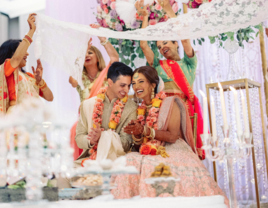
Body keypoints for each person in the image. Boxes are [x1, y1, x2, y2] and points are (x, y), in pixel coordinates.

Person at [111, 66, 228, 206]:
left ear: (152, 85)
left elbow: (172, 136)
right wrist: (137, 134)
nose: (136, 87)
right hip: (148, 151)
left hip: (172, 148)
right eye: (134, 84)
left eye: (141, 81)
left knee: (152, 165)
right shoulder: (138, 109)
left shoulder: (170, 103)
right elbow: (138, 145)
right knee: (127, 160)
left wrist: (145, 130)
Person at [137, 0, 204, 159]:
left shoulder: (189, 62)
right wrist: (145, 18)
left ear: (176, 43)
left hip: (185, 112)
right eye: (159, 47)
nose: (162, 48)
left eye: (165, 42)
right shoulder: (158, 65)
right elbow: (144, 46)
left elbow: (185, 38)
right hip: (163, 110)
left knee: (186, 152)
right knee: (166, 152)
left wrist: (167, 8)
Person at [69, 24, 119, 159]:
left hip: (106, 121)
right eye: (84, 54)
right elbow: (72, 80)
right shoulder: (79, 77)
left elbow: (114, 58)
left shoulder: (106, 74)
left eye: (90, 52)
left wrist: (102, 38)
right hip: (85, 123)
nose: (86, 55)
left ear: (97, 56)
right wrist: (81, 50)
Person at [0, 13, 53, 113]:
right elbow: (16, 59)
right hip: (16, 117)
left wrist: (40, 81)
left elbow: (50, 98)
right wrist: (31, 31)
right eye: (23, 50)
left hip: (34, 117)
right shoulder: (6, 70)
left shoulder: (29, 77)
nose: (27, 53)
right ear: (10, 53)